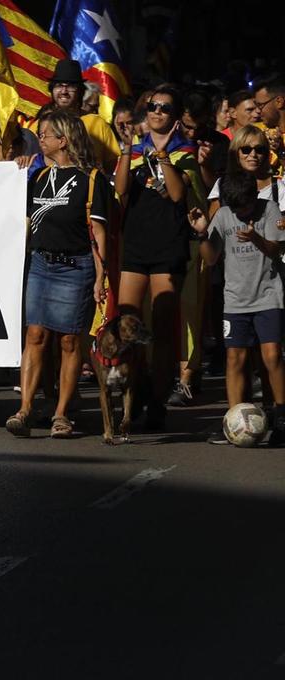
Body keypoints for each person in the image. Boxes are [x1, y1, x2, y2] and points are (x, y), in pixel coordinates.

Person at [4, 110, 112, 439]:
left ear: (62, 140)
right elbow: (20, 220)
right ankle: (24, 408)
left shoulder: (91, 179)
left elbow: (98, 233)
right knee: (35, 335)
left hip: (76, 266)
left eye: (45, 135)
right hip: (40, 264)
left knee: (68, 340)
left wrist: (99, 277)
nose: (40, 140)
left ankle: (61, 413)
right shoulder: (37, 177)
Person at [116, 84, 201, 429]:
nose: (157, 112)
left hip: (168, 246)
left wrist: (163, 155)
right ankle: (134, 391)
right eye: (152, 106)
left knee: (164, 330)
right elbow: (121, 190)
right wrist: (125, 150)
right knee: (127, 326)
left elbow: (178, 195)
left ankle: (157, 398)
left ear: (175, 116)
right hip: (135, 245)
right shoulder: (134, 152)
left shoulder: (186, 152)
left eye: (165, 108)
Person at [193, 168, 284, 438]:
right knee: (235, 358)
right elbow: (210, 258)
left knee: (272, 355)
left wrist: (255, 237)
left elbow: (275, 251)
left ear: (254, 196)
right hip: (235, 300)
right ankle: (234, 419)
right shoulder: (222, 215)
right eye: (236, 208)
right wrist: (200, 235)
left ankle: (280, 415)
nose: (241, 213)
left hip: (268, 294)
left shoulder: (269, 210)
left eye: (245, 207)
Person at [42, 59, 122, 171]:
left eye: (70, 86)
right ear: (52, 89)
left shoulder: (98, 123)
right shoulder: (40, 124)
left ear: (80, 91)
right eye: (59, 85)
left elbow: (112, 165)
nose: (64, 91)